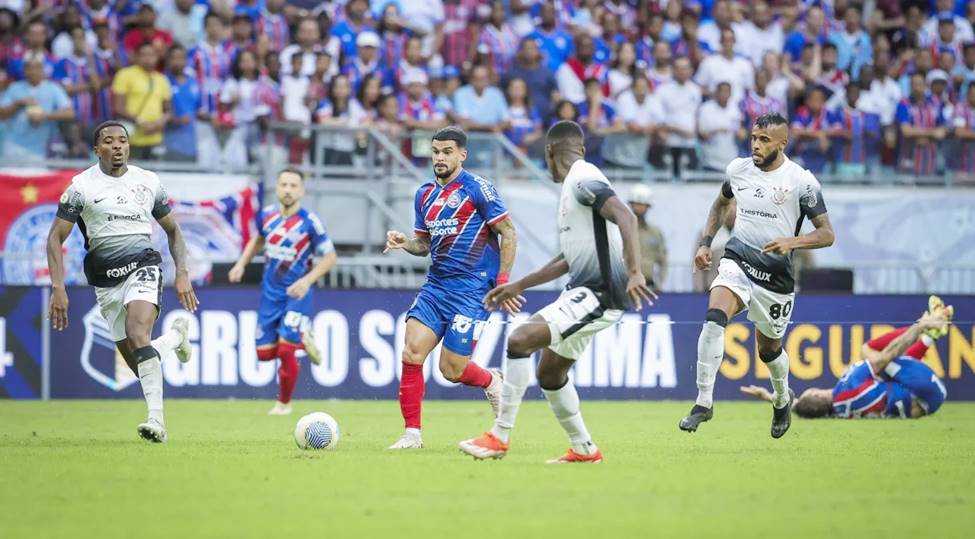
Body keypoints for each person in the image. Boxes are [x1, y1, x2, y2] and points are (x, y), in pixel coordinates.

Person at [457, 120, 655, 464]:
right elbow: (567, 259)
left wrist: (636, 272)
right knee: (550, 373)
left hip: (600, 292)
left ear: (549, 152)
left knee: (520, 339)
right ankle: (584, 449)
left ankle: (499, 436)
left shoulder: (582, 178)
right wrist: (518, 285)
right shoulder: (574, 187)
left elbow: (627, 216)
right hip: (583, 291)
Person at [679, 112, 835, 439]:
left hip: (776, 277)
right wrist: (707, 242)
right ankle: (703, 402)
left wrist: (792, 242)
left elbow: (826, 234)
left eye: (764, 140)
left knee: (768, 351)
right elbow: (721, 204)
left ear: (782, 143)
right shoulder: (738, 170)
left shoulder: (801, 181)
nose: (756, 145)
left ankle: (780, 399)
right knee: (713, 318)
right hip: (738, 259)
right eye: (753, 138)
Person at [46, 121, 196, 442]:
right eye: (109, 141)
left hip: (143, 266)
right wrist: (58, 287)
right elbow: (55, 238)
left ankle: (157, 423)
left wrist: (182, 272)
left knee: (137, 333)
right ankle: (175, 338)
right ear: (96, 149)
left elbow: (173, 231)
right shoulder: (80, 187)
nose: (118, 146)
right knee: (138, 361)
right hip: (105, 282)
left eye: (123, 141)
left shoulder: (148, 182)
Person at [383, 126, 517, 450]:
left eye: (446, 152)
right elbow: (424, 245)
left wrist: (502, 283)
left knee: (451, 370)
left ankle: (491, 381)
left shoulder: (478, 189)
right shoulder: (424, 194)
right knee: (411, 352)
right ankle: (411, 434)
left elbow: (508, 233)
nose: (439, 158)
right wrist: (405, 243)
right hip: (436, 287)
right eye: (435, 152)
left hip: (472, 291)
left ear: (462, 154)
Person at [228, 168, 336, 415]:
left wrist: (307, 281)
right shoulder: (266, 216)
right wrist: (241, 264)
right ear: (277, 187)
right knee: (264, 354)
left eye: (293, 185)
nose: (288, 190)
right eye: (284, 184)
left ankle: (284, 404)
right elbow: (258, 240)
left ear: (302, 190)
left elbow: (330, 257)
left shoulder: (310, 222)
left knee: (286, 350)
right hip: (270, 293)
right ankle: (304, 339)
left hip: (297, 293)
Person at [741, 297, 953, 419]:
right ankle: (927, 327)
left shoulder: (839, 412)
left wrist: (767, 396)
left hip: (929, 405)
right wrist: (917, 328)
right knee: (869, 351)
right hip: (926, 386)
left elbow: (799, 406)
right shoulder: (848, 383)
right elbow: (889, 355)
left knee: (887, 374)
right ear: (815, 392)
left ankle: (929, 338)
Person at [0, 57, 74, 160]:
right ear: (24, 70)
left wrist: (44, 115)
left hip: (39, 152)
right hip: (13, 147)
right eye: (28, 68)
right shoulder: (15, 88)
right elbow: (1, 115)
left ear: (42, 69)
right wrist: (18, 103)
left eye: (36, 67)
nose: (32, 71)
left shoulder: (53, 88)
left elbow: (70, 113)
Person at [112, 42, 172, 159]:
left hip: (155, 138)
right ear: (136, 56)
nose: (148, 59)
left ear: (157, 57)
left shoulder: (162, 79)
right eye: (144, 55)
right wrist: (141, 122)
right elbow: (118, 107)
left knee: (154, 175)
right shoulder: (125, 75)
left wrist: (159, 123)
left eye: (151, 55)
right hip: (131, 138)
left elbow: (168, 110)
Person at [628, 184, 667, 289]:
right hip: (625, 285)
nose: (640, 207)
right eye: (637, 204)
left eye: (643, 204)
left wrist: (660, 284)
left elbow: (663, 260)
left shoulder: (655, 232)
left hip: (649, 286)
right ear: (631, 205)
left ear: (648, 206)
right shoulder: (621, 230)